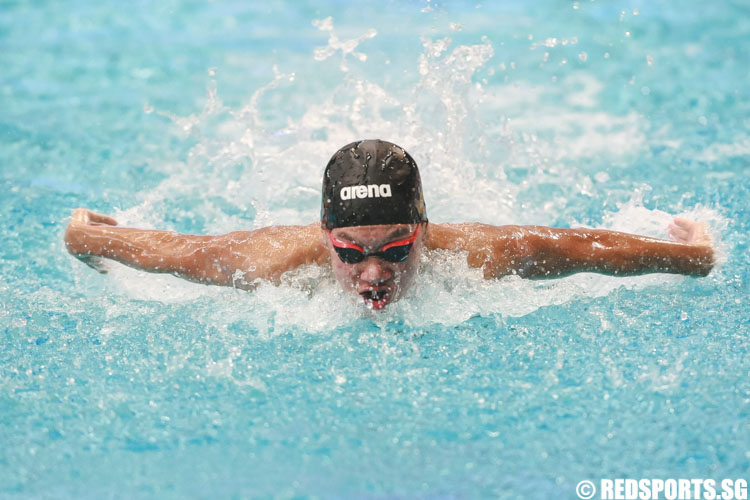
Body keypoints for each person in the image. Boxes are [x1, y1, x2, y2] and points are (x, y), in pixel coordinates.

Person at [64, 139, 714, 310]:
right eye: (350, 253)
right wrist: (88, 236)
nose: (373, 275)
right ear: (325, 238)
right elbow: (176, 251)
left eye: (397, 248)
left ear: (424, 231)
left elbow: (582, 247)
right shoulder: (271, 262)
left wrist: (691, 256)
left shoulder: (485, 256)